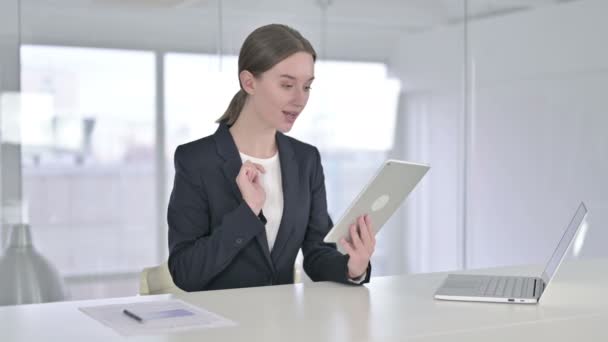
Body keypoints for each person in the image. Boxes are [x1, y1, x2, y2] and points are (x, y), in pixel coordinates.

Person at [167, 23, 375, 291]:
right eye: (287, 85)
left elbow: (316, 253)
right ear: (249, 82)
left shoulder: (306, 160)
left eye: (307, 87)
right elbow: (185, 273)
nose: (300, 100)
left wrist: (352, 267)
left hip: (283, 326)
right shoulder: (196, 160)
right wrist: (248, 212)